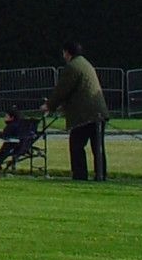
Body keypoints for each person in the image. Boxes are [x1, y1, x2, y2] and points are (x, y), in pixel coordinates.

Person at [43, 39, 109, 181]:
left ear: (67, 52)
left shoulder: (72, 67)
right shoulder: (85, 64)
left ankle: (80, 175)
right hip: (99, 112)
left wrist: (49, 105)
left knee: (77, 145)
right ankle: (101, 175)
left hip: (84, 115)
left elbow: (62, 90)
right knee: (98, 147)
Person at [0, 105, 38, 176]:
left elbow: (5, 136)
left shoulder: (11, 126)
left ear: (12, 118)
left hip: (12, 147)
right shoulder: (22, 125)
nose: (4, 118)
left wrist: (0, 136)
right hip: (23, 146)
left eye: (6, 116)